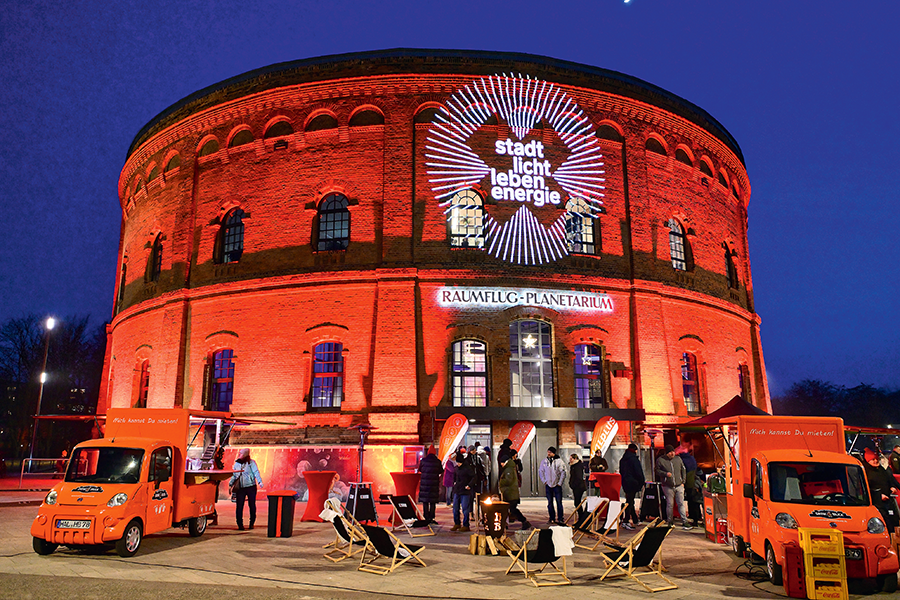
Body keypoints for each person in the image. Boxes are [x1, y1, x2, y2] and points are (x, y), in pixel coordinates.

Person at [863, 448, 900, 531]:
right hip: (876, 503)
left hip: (888, 500)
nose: (876, 461)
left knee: (893, 520)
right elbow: (866, 488)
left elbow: (889, 479)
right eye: (873, 459)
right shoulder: (866, 472)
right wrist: (879, 496)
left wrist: (892, 487)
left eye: (876, 459)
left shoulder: (881, 470)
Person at [655, 444, 691, 530]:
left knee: (681, 503)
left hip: (679, 485)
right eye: (670, 452)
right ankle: (670, 521)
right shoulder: (660, 460)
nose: (672, 454)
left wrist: (683, 482)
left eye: (673, 452)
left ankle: (684, 521)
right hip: (667, 486)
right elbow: (656, 470)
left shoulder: (678, 459)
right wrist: (665, 474)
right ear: (667, 453)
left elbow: (683, 470)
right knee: (670, 504)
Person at [229, 448, 263, 530]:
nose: (239, 455)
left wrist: (259, 481)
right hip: (240, 488)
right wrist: (230, 484)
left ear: (244, 455)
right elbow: (234, 475)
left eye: (240, 453)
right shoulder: (237, 463)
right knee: (239, 506)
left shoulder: (251, 463)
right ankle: (240, 524)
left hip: (251, 487)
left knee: (252, 505)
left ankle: (252, 523)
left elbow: (256, 472)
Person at [498, 447, 530, 529]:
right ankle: (506, 524)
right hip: (509, 493)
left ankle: (524, 521)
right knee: (510, 510)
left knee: (513, 510)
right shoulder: (509, 468)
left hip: (511, 494)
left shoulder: (509, 469)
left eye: (501, 463)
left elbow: (508, 480)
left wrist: (500, 482)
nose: (501, 464)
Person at [619, 443, 645, 530]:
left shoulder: (622, 460)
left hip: (625, 482)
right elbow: (638, 472)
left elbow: (621, 471)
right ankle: (626, 521)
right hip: (633, 482)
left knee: (630, 500)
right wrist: (641, 482)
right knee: (629, 502)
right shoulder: (634, 460)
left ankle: (635, 519)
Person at [538, 446, 567, 525]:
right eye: (548, 452)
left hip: (557, 485)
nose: (548, 453)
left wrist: (559, 483)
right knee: (550, 503)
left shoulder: (559, 461)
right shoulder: (544, 461)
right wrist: (544, 481)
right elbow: (541, 471)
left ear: (553, 453)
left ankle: (560, 518)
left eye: (550, 452)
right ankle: (552, 518)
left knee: (559, 502)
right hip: (548, 485)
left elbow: (563, 473)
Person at [451, 452, 476, 532]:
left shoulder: (467, 468)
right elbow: (455, 477)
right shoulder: (456, 468)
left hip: (465, 491)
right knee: (455, 508)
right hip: (457, 490)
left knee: (465, 509)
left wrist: (469, 485)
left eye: (459, 462)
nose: (457, 464)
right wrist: (454, 482)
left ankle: (466, 525)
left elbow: (474, 477)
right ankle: (457, 523)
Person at [417, 446, 443, 523]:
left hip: (425, 484)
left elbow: (420, 470)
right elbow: (440, 471)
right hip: (434, 485)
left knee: (425, 501)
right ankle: (432, 517)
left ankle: (426, 517)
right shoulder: (437, 461)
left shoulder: (423, 461)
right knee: (432, 502)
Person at [678, 446, 701, 525]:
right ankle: (697, 517)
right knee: (695, 501)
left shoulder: (682, 460)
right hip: (694, 483)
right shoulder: (692, 459)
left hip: (689, 483)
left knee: (692, 501)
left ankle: (694, 519)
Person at [569, 453, 587, 522]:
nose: (570, 460)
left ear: (575, 459)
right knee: (577, 502)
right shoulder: (574, 465)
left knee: (577, 503)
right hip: (577, 486)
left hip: (579, 487)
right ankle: (581, 517)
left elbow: (578, 477)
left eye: (571, 459)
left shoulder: (577, 466)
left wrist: (573, 485)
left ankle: (582, 518)